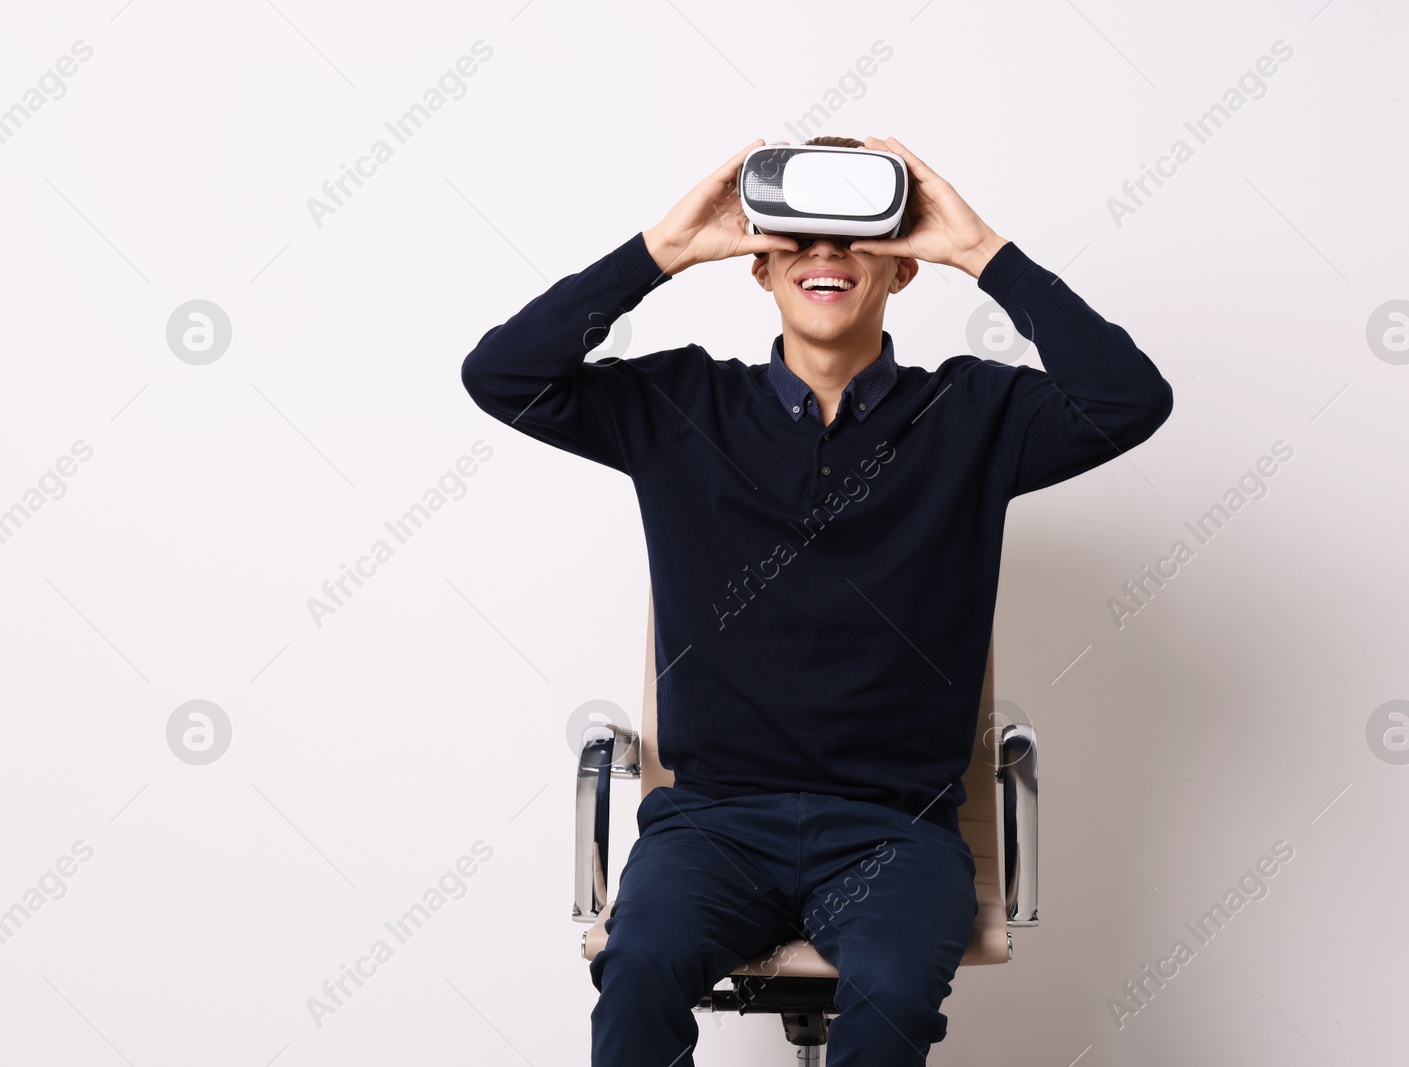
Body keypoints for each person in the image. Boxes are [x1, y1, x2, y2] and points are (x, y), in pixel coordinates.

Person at [460, 134, 1173, 1066]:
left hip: (894, 832)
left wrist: (978, 250)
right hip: (713, 821)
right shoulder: (681, 407)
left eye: (855, 238)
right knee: (640, 968)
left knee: (892, 994)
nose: (824, 256)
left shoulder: (971, 416)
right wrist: (663, 251)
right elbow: (501, 374)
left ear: (901, 268)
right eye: (798, 238)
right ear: (759, 266)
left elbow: (1131, 398)